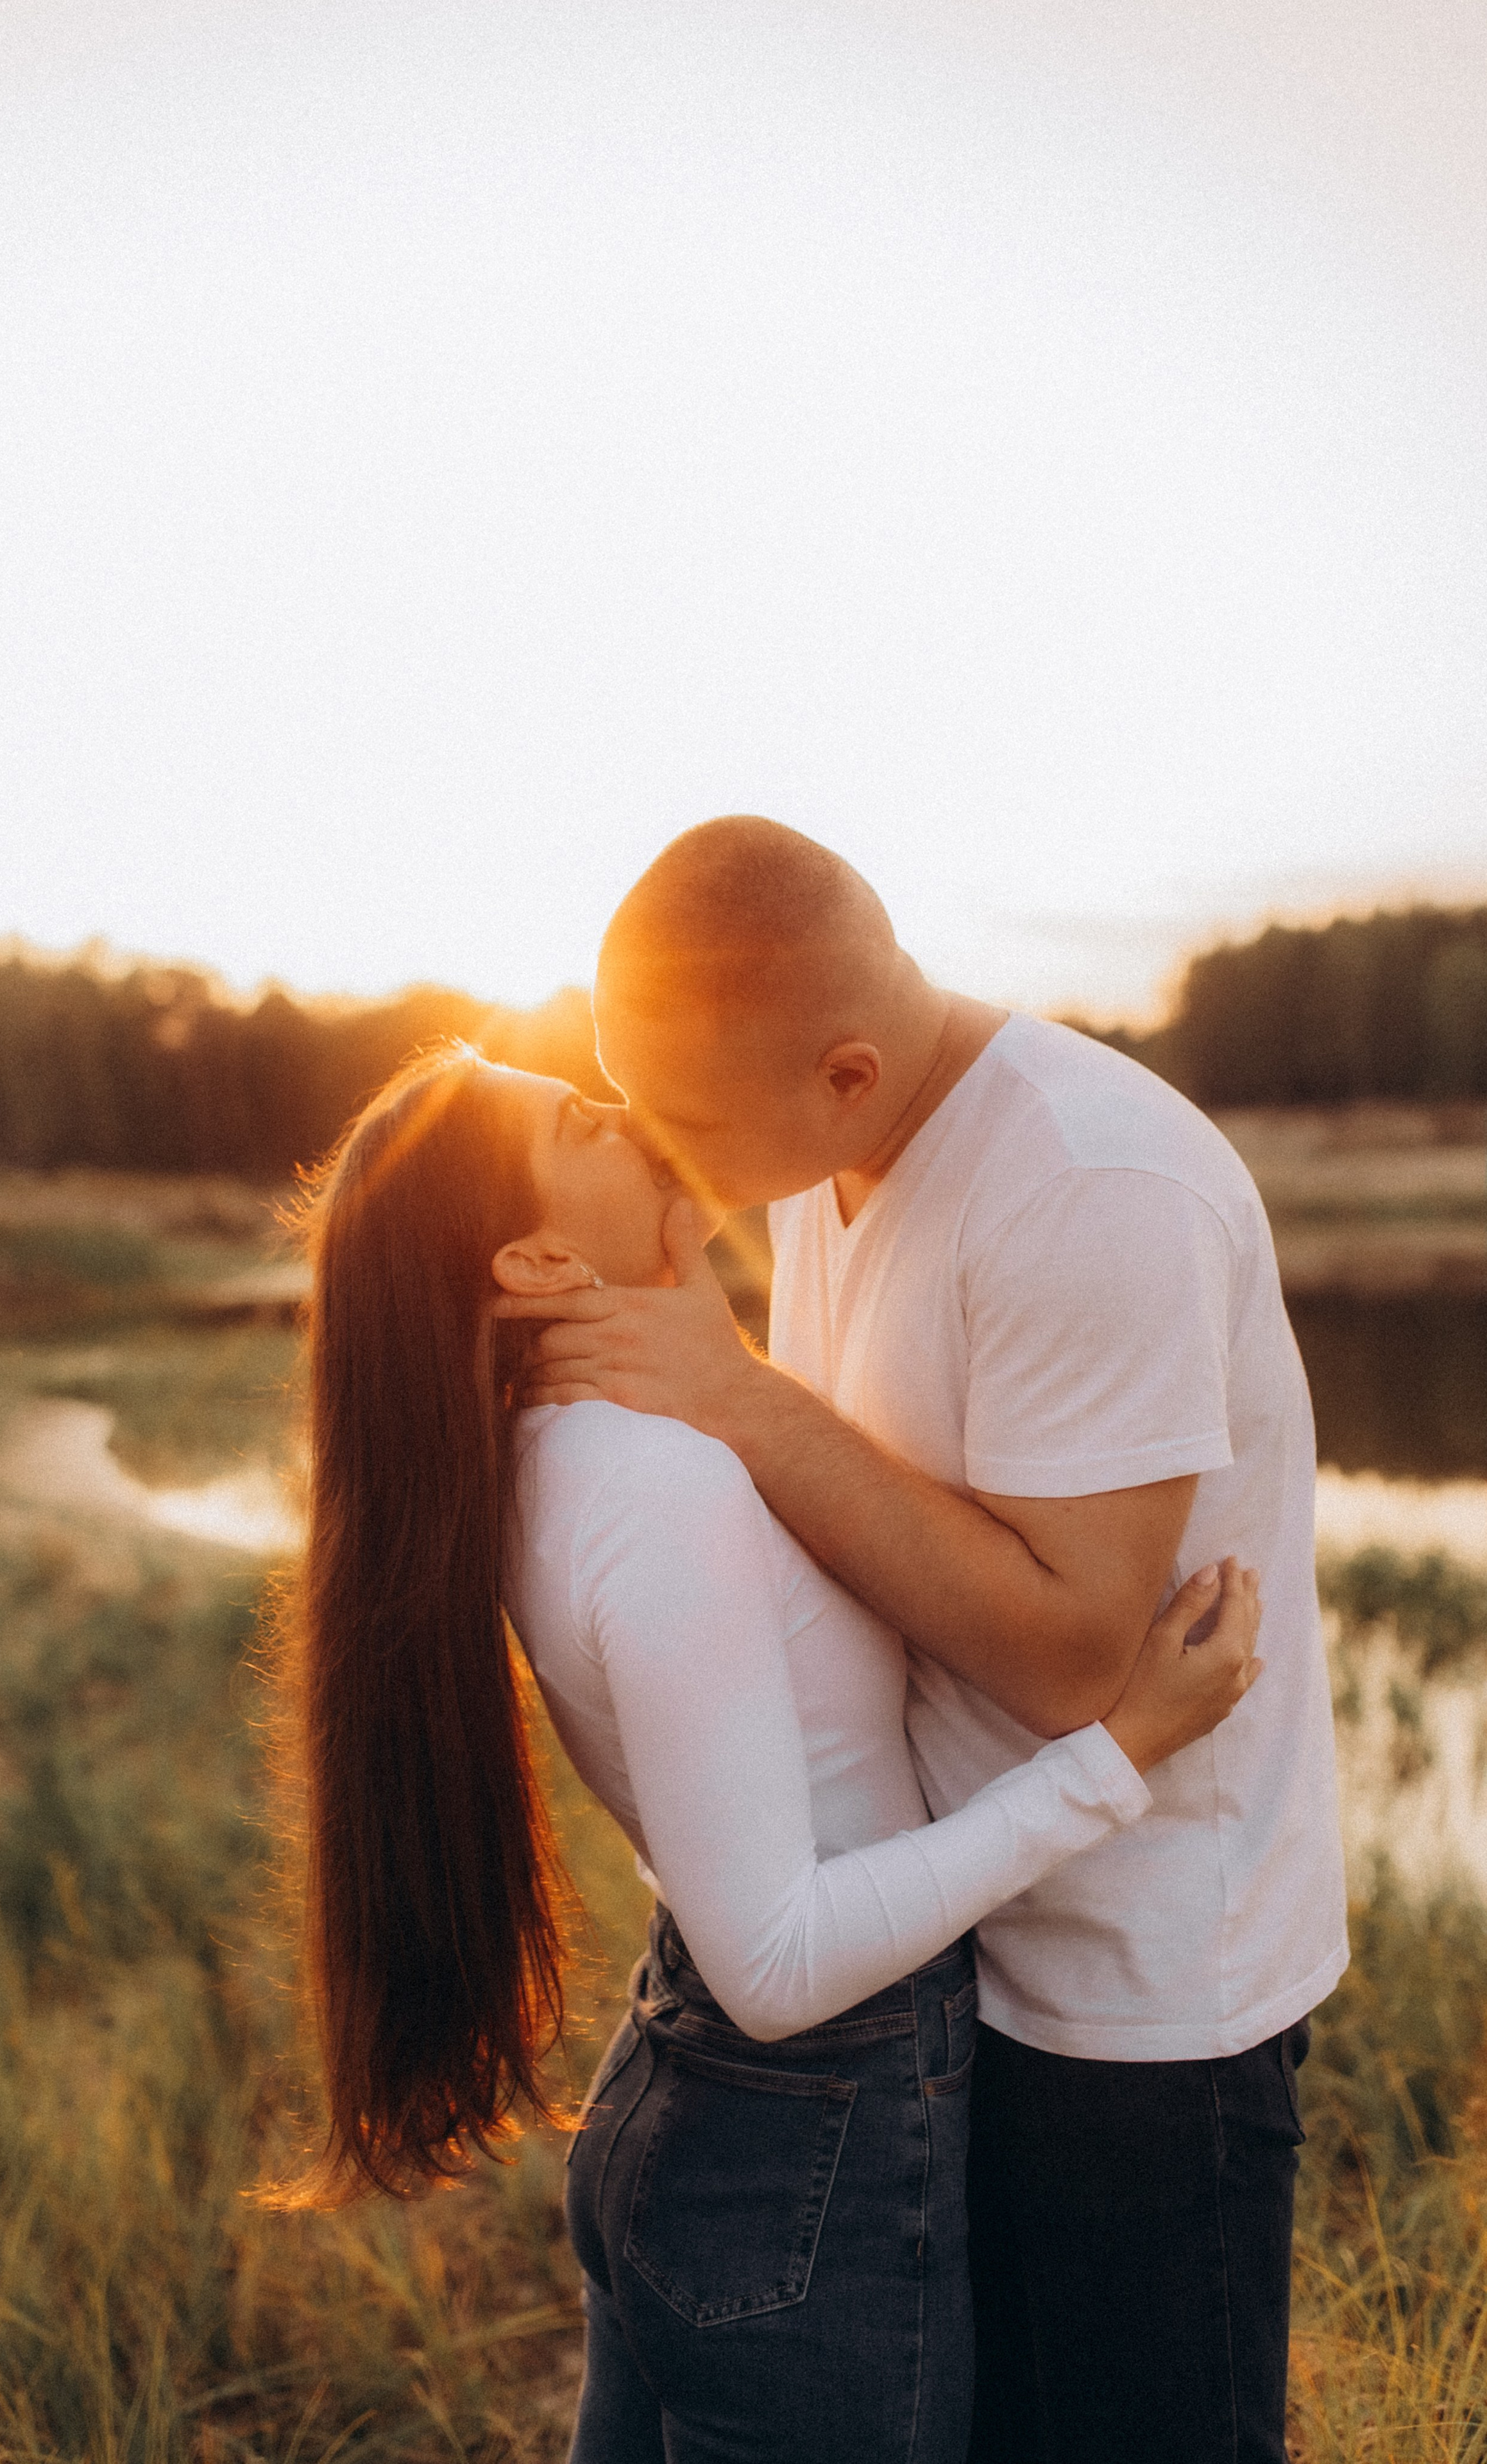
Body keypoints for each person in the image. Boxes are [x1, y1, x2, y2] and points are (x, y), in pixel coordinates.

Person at [275, 1040, 1262, 2464]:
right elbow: (778, 1966)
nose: (634, 1115)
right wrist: (1117, 1753)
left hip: (710, 2124)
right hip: (801, 2152)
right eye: (579, 1120)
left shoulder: (569, 1456)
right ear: (542, 1263)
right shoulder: (654, 1486)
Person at [500, 815, 1347, 2464]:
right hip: (940, 1973)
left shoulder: (1092, 1189)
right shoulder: (819, 1158)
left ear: (845, 1068)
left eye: (678, 1121)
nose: (664, 1163)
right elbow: (867, 1511)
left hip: (1135, 2002)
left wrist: (735, 1396)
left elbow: (1070, 1660)